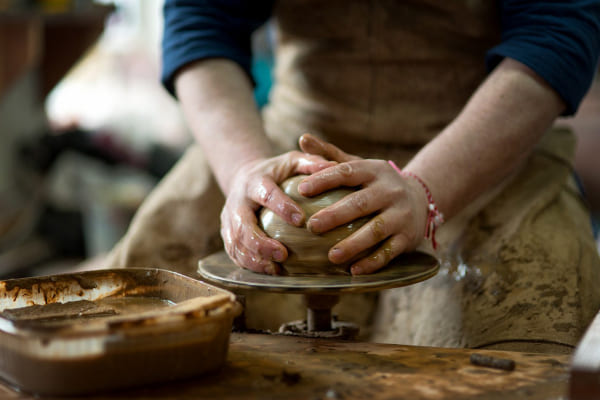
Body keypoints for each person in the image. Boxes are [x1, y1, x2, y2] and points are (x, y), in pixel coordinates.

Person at [106, 0, 600, 352]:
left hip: (480, 147)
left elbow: (556, 31)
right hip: (286, 150)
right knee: (128, 315)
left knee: (530, 339)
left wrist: (425, 189)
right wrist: (242, 170)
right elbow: (201, 19)